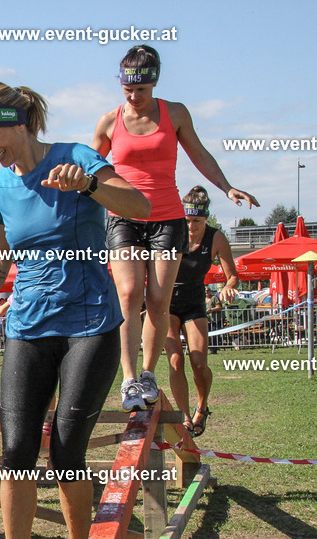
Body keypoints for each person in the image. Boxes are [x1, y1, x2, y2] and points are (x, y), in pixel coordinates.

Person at [0, 82, 150, 539]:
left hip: (90, 324)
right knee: (15, 454)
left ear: (20, 125)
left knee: (66, 449)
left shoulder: (75, 158)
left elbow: (140, 205)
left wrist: (90, 184)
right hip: (27, 328)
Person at [91, 45, 259, 412]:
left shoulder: (176, 113)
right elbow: (90, 167)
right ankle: (130, 378)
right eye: (128, 90)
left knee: (158, 301)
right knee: (130, 292)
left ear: (155, 83)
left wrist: (226, 186)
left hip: (167, 218)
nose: (134, 97)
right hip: (124, 217)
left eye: (141, 90)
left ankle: (148, 373)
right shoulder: (109, 121)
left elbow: (198, 153)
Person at [165, 187, 238, 437]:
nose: (191, 226)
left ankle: (202, 406)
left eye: (197, 221)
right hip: (167, 302)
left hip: (195, 303)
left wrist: (228, 288)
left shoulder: (216, 238)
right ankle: (184, 416)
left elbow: (232, 278)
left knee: (199, 363)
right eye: (187, 221)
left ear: (206, 218)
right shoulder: (171, 233)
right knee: (175, 360)